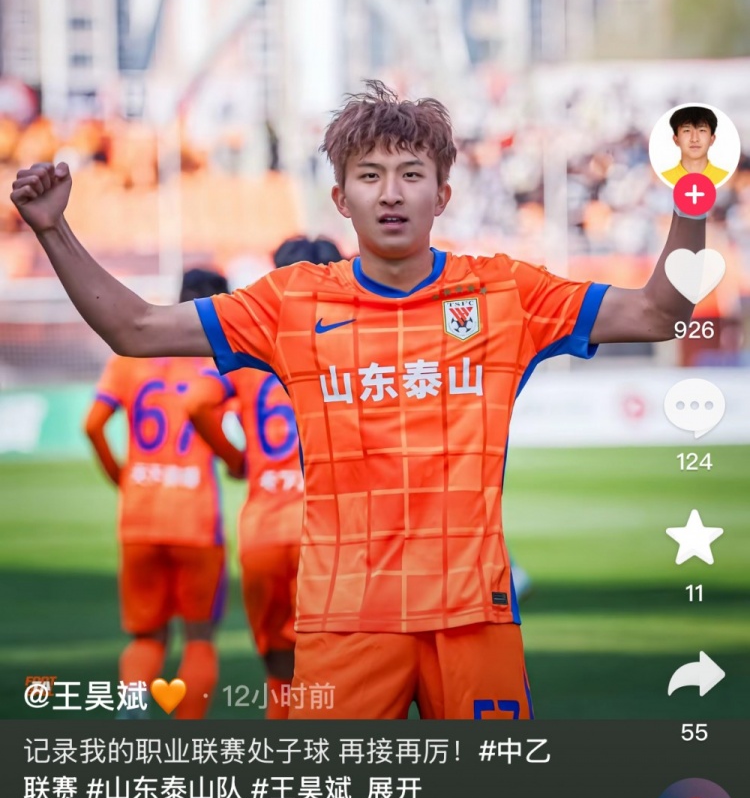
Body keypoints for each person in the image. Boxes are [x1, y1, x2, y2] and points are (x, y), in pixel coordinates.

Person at [11, 80, 705, 719]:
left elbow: (658, 312)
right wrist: (52, 229)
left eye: (411, 175)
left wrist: (692, 195)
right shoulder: (292, 301)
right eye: (370, 176)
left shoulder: (504, 293)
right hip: (346, 616)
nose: (391, 194)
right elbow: (135, 329)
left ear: (443, 194)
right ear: (341, 198)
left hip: (474, 613)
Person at [185, 236, 345, 719]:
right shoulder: (350, 346)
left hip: (264, 529)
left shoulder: (254, 344)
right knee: (340, 678)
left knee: (280, 677)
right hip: (330, 532)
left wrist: (236, 460)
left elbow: (196, 402)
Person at [83, 268, 234, 719]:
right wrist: (234, 460)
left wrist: (124, 479)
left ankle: (132, 705)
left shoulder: (131, 357)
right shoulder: (219, 361)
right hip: (196, 518)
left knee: (146, 636)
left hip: (140, 515)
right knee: (200, 639)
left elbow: (92, 425)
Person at [662, 106, 728, 185]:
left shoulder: (726, 180)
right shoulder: (663, 181)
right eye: (687, 130)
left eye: (702, 130)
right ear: (676, 139)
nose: (694, 139)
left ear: (712, 139)